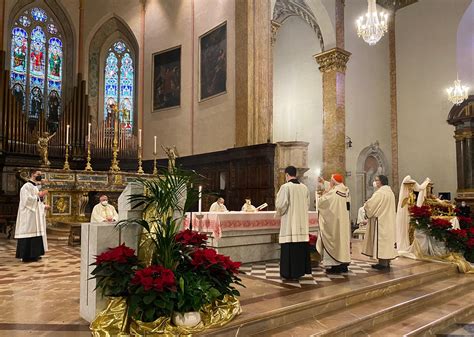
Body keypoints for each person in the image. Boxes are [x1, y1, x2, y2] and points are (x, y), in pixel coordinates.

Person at [275, 165, 311, 280]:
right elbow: (307, 204)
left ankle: (288, 273)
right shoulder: (304, 187)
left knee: (289, 247)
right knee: (299, 248)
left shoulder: (286, 187)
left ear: (286, 175)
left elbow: (281, 205)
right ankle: (299, 272)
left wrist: (279, 213)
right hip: (301, 224)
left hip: (290, 224)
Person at [316, 173, 351, 273]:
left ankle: (335, 266)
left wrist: (322, 195)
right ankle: (343, 265)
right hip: (343, 222)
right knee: (342, 243)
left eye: (331, 180)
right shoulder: (346, 190)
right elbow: (334, 187)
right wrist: (324, 182)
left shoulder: (334, 192)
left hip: (335, 222)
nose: (330, 182)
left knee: (334, 241)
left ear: (334, 181)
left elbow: (322, 202)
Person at [363, 175, 398, 270]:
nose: (375, 182)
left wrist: (366, 205)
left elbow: (371, 205)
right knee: (387, 243)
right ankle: (386, 262)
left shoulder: (380, 193)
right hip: (389, 221)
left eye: (376, 180)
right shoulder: (390, 192)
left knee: (382, 242)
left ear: (381, 182)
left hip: (381, 222)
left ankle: (382, 264)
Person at [14, 169, 49, 262]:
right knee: (28, 233)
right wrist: (39, 195)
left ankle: (35, 254)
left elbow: (37, 200)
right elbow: (26, 200)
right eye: (38, 174)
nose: (40, 176)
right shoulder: (26, 187)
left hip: (35, 215)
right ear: (33, 174)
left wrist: (43, 205)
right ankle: (26, 256)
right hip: (28, 215)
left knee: (36, 234)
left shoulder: (34, 187)